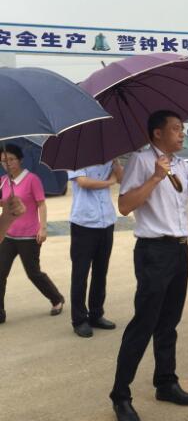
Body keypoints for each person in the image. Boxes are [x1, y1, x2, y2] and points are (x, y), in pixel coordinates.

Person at [109, 110, 188, 421]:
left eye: (182, 128)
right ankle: (120, 395)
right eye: (176, 129)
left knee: (169, 322)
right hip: (154, 252)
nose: (182, 133)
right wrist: (155, 178)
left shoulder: (181, 164)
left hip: (179, 250)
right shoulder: (141, 161)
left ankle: (165, 382)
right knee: (144, 323)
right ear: (157, 133)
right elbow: (125, 205)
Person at [0, 144, 65, 325]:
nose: (7, 164)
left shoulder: (32, 179)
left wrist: (43, 228)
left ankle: (56, 298)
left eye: (11, 159)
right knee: (0, 273)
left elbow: (41, 204)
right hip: (8, 235)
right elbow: (5, 204)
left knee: (33, 273)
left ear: (20, 160)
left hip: (28, 236)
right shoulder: (3, 181)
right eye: (3, 161)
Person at [68, 159, 124, 338]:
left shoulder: (107, 157)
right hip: (84, 223)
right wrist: (109, 182)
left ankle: (96, 314)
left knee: (101, 272)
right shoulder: (76, 156)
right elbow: (83, 182)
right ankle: (79, 320)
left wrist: (116, 163)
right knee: (80, 274)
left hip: (106, 221)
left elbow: (121, 179)